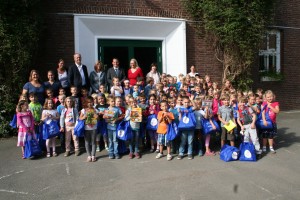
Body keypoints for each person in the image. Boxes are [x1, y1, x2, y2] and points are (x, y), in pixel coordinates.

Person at [177, 96, 197, 160]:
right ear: (182, 102)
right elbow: (180, 120)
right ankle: (181, 153)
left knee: (190, 141)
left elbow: (196, 107)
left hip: (191, 128)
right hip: (184, 128)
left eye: (188, 102)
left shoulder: (190, 109)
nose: (186, 104)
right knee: (183, 141)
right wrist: (180, 113)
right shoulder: (181, 109)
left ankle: (190, 153)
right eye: (185, 102)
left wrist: (192, 100)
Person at [79, 96, 99, 162]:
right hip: (86, 128)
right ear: (86, 103)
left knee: (93, 142)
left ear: (93, 102)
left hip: (94, 128)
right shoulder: (83, 110)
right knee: (87, 142)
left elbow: (98, 118)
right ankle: (89, 155)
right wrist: (85, 116)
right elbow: (80, 118)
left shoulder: (95, 110)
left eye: (91, 102)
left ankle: (93, 155)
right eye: (88, 102)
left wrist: (97, 117)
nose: (89, 104)